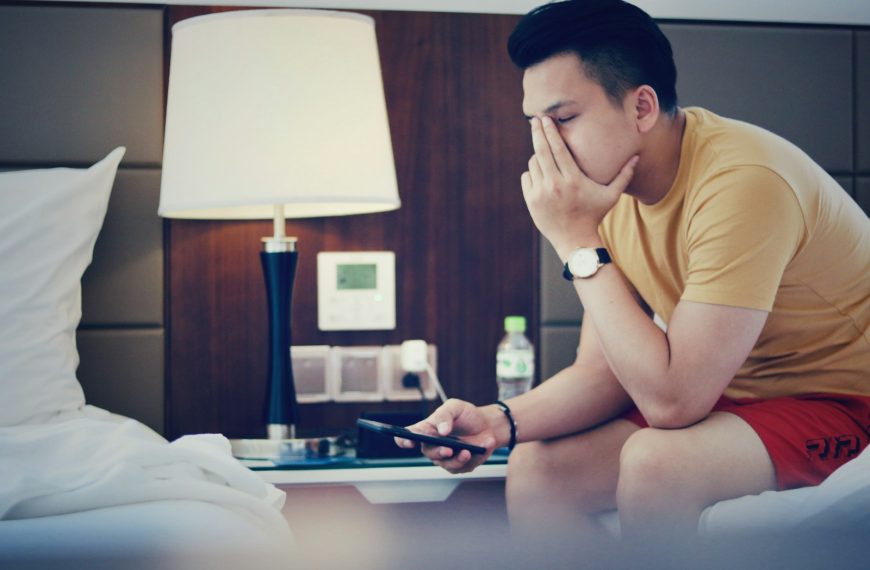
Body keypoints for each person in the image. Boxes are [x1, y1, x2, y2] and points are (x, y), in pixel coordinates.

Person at [395, 0, 870, 543]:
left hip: (845, 403)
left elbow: (672, 403)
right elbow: (602, 374)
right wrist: (496, 420)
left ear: (642, 107)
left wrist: (577, 242)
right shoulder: (609, 193)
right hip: (737, 399)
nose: (546, 148)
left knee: (657, 461)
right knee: (537, 468)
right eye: (535, 125)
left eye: (563, 120)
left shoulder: (743, 182)